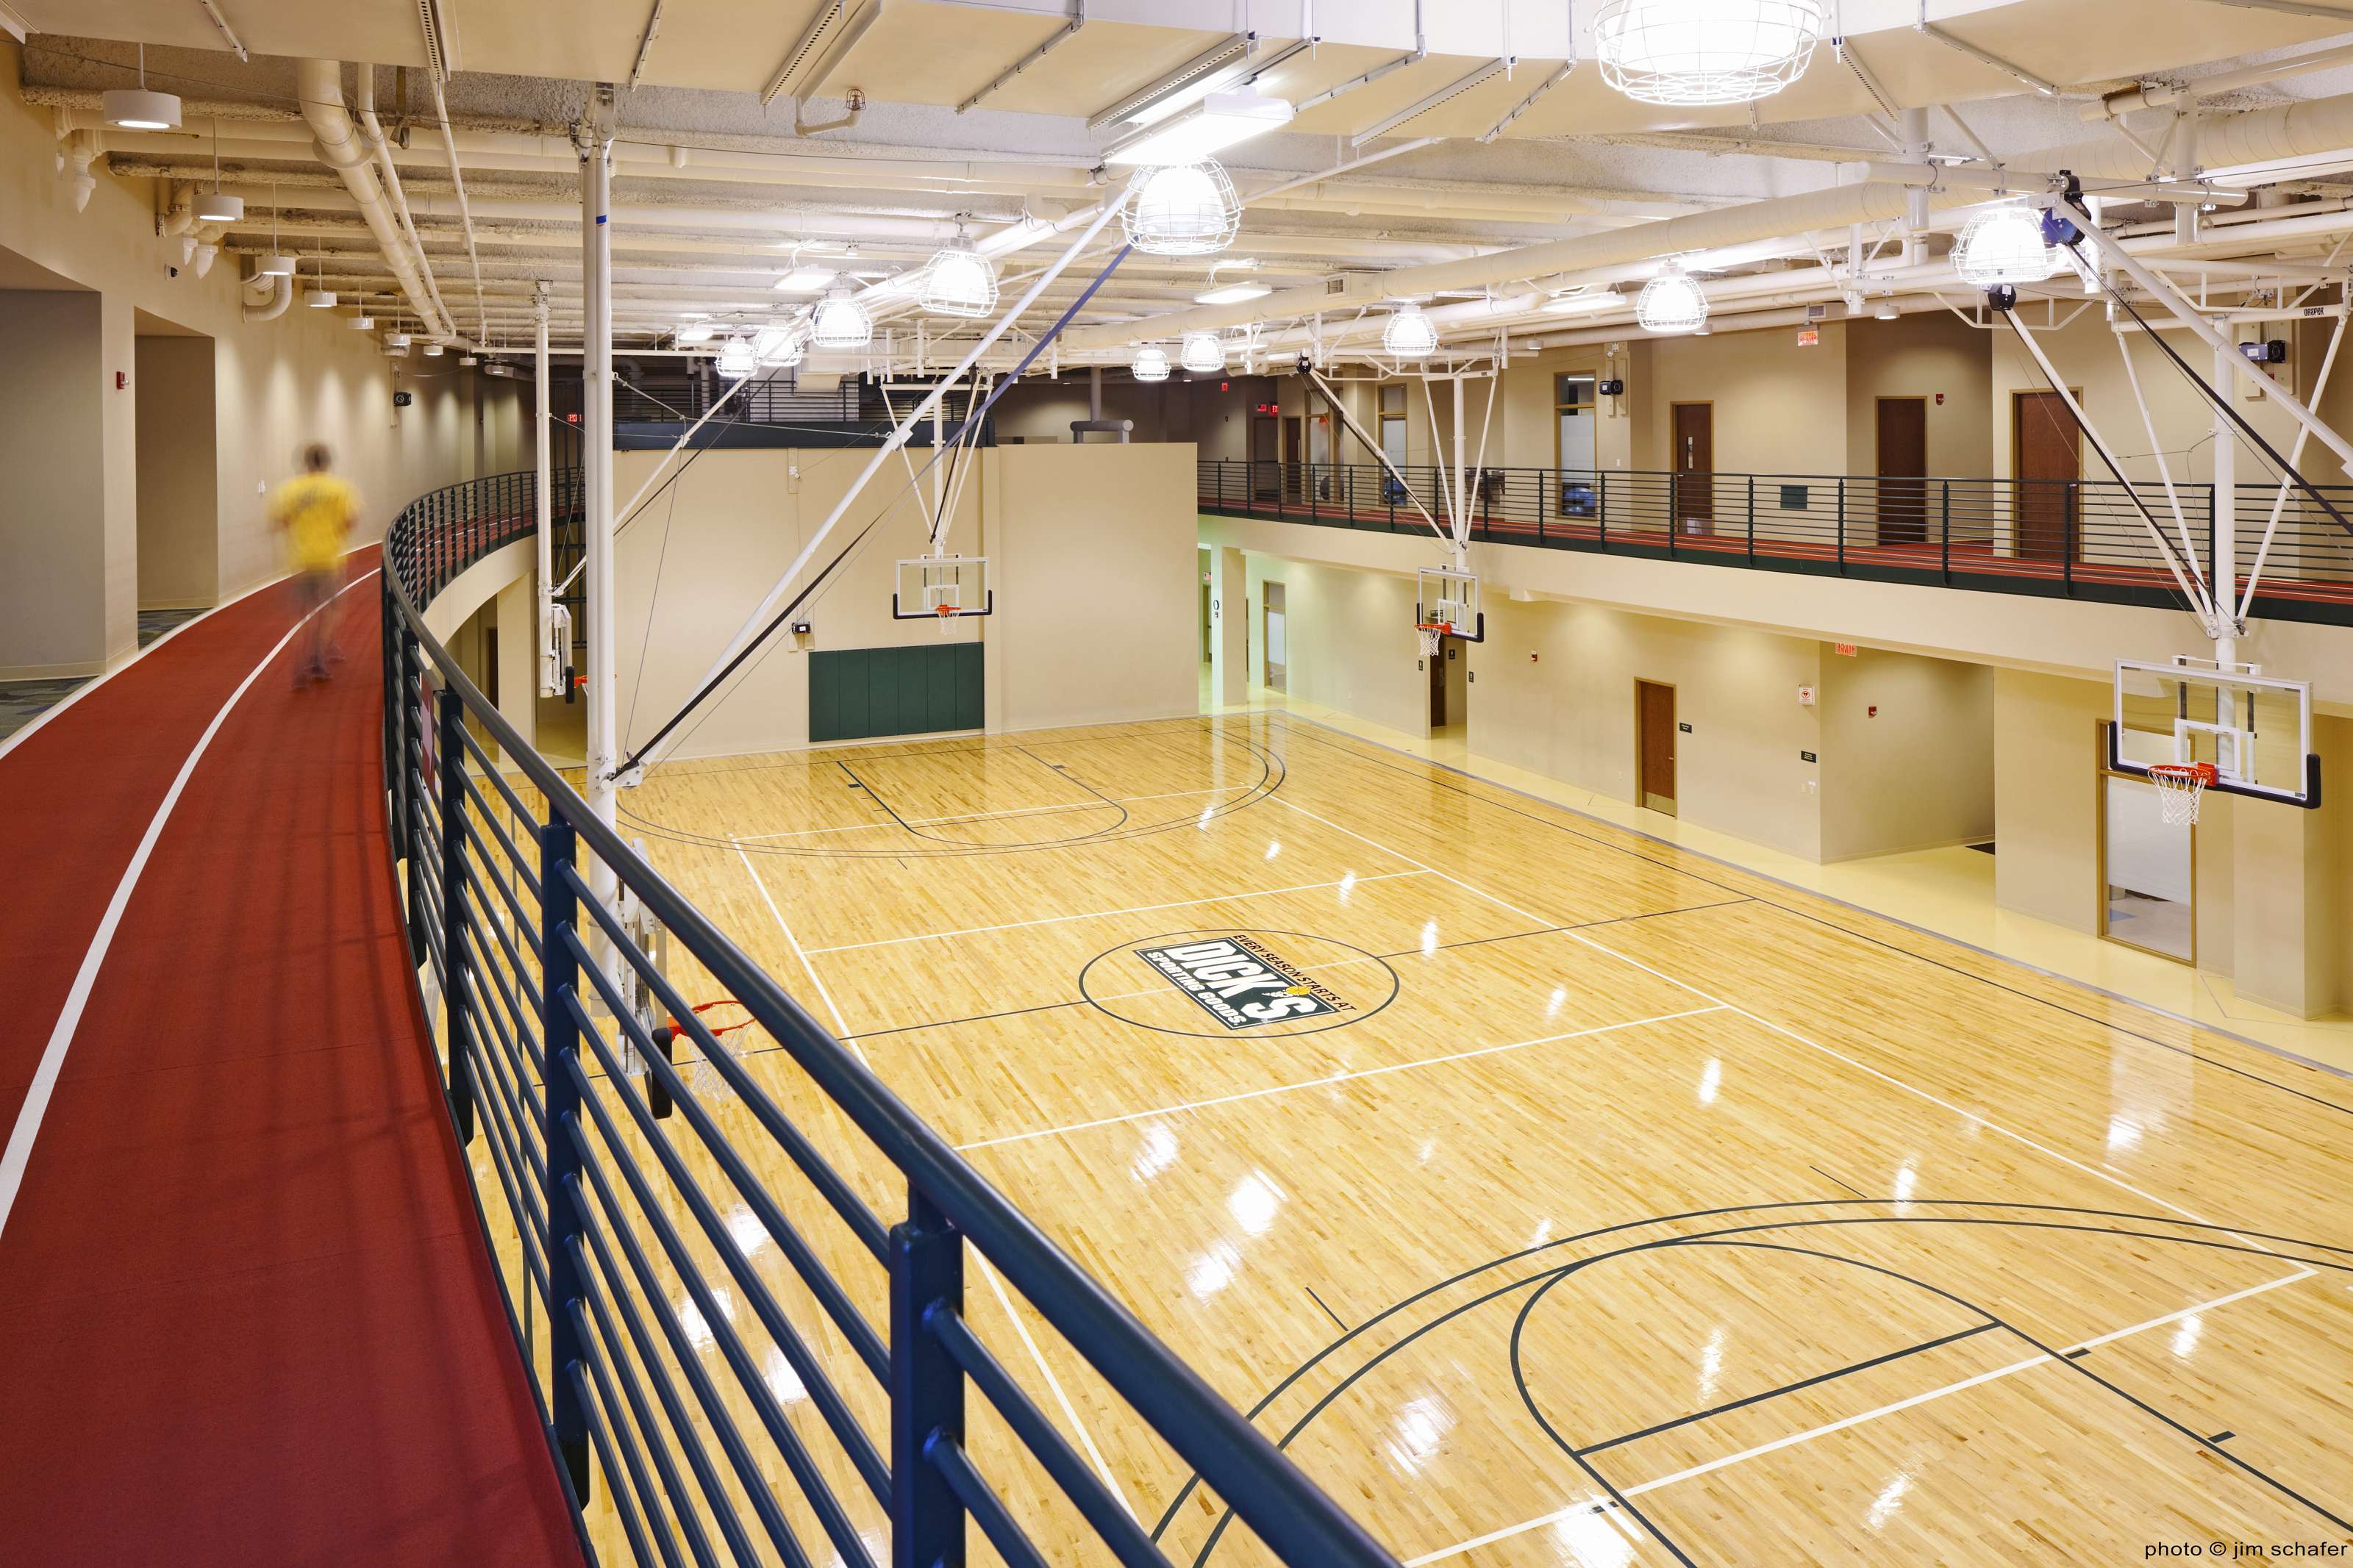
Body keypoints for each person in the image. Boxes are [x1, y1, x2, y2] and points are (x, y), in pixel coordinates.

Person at [269, 444, 360, 682]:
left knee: (300, 614)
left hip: (300, 561)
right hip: (329, 559)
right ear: (327, 463)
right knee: (329, 611)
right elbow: (350, 521)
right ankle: (318, 657)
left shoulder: (290, 490)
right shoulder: (340, 488)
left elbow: (281, 521)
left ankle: (298, 664)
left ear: (306, 463)